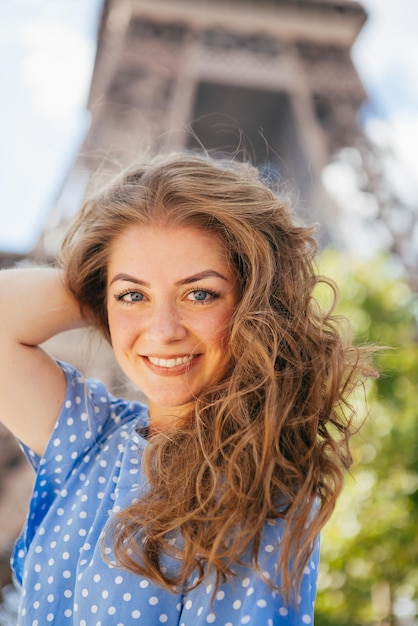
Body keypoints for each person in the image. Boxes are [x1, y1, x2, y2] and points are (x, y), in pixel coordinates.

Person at [0, 152, 376, 625]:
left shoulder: (262, 482)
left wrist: (130, 293)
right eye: (133, 295)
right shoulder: (90, 440)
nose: (163, 331)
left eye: (199, 294)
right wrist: (106, 292)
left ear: (253, 304)